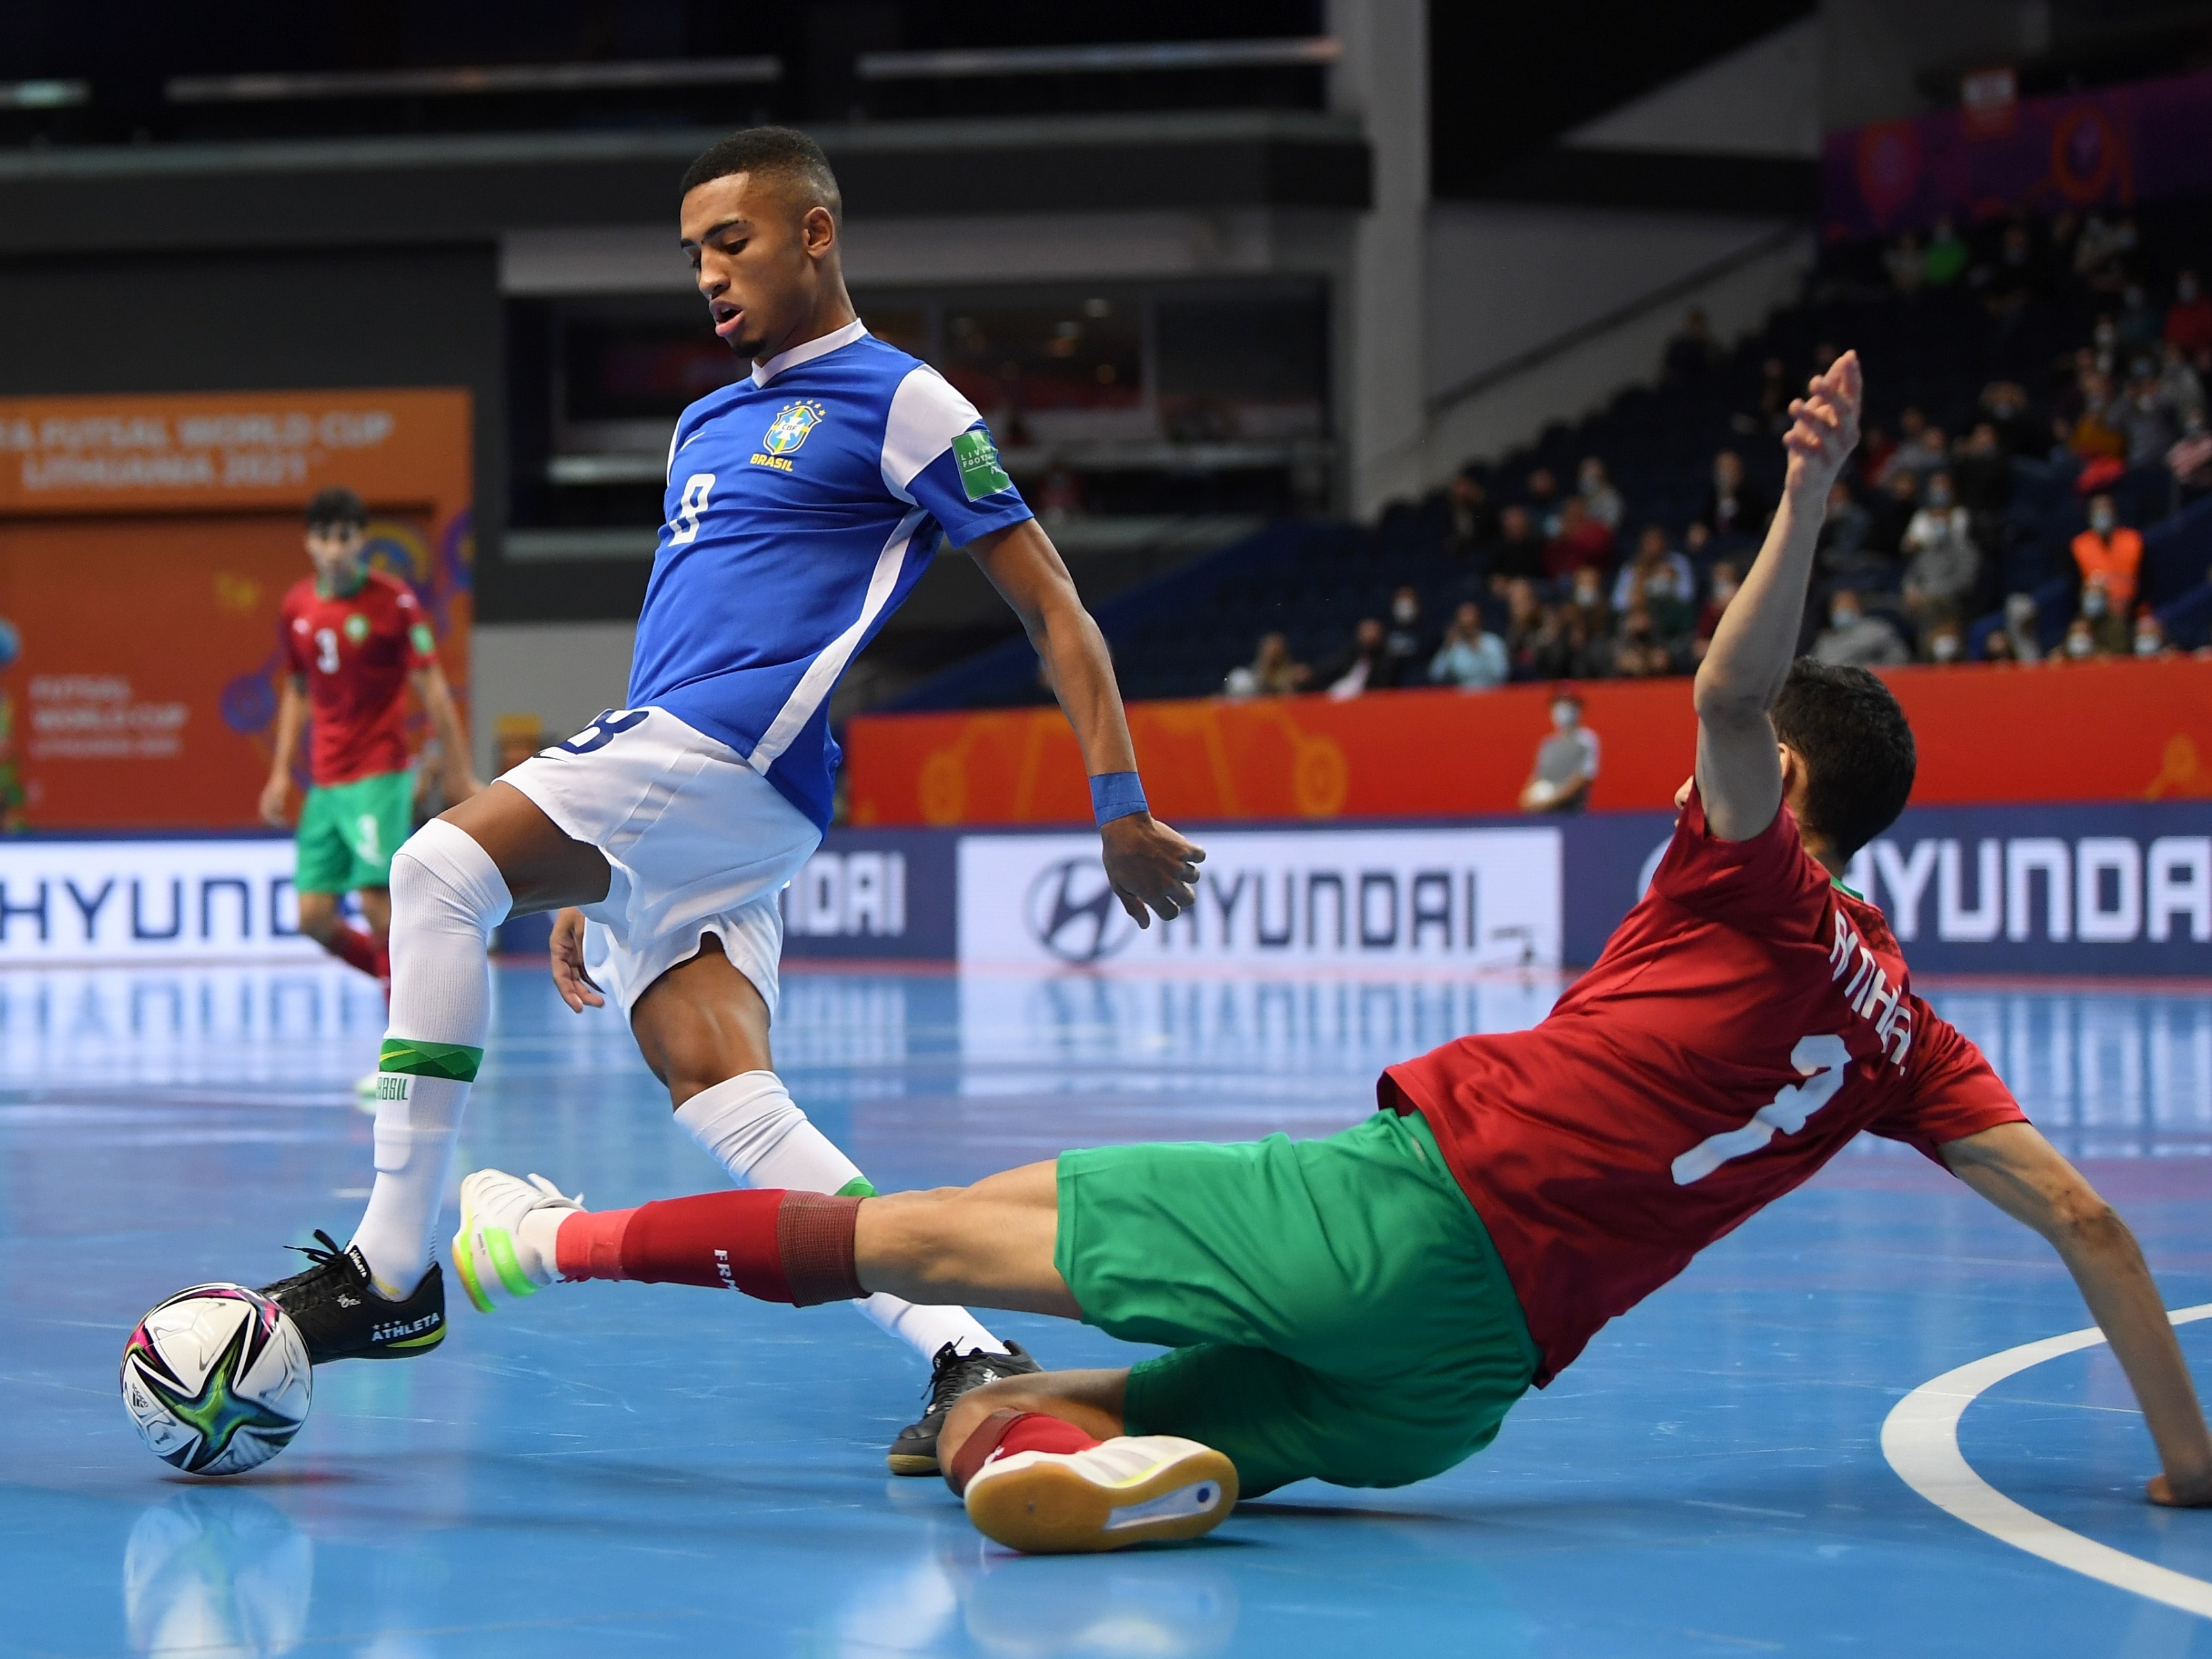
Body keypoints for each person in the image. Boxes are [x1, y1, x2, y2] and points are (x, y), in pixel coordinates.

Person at [450, 352, 2212, 1557]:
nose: (1695, 782)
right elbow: (2094, 1220)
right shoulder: (1899, 1025)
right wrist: (2194, 1460)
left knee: (905, 1235)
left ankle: (539, 1240)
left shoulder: (1755, 872)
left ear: (1799, 788)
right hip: (1459, 1393)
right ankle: (1069, 1453)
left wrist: (1810, 487)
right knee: (1001, 1403)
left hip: (1401, 1219)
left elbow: (1732, 690)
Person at [247, 127, 1205, 1479]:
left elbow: (1053, 607)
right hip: (673, 777)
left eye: (732, 241)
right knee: (722, 1089)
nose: (707, 272)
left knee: (432, 873)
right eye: (692, 250)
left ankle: (391, 1267)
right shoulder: (705, 421)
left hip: (733, 760)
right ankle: (966, 1348)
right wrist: (596, 868)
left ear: (815, 232)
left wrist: (1117, 800)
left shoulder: (903, 399)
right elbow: (669, 633)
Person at [259, 488, 479, 988]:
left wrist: (459, 771)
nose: (334, 549)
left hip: (378, 772)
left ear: (360, 541)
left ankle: (401, 1046)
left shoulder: (394, 602)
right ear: (308, 543)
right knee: (312, 917)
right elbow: (297, 690)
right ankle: (410, 990)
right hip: (325, 780)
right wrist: (278, 775)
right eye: (324, 538)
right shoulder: (295, 605)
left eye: (344, 537)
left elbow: (435, 690)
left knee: (377, 906)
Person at [1899, 472, 1980, 625]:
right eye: (1935, 519)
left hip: (1949, 602)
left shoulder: (1967, 550)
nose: (1938, 523)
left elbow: (1963, 583)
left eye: (1942, 518)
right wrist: (1911, 592)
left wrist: (1927, 595)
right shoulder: (1927, 548)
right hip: (1923, 601)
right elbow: (1912, 574)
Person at [1518, 687, 1599, 812]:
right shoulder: (1548, 744)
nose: (1564, 711)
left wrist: (1553, 800)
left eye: (1569, 705)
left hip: (1571, 811)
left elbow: (1584, 776)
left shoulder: (1586, 740)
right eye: (1560, 705)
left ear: (1578, 708)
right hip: (1543, 812)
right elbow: (1538, 775)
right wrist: (1526, 798)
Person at [2073, 493, 2143, 614]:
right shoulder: (2079, 545)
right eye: (2098, 509)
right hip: (2095, 615)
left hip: (2133, 613)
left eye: (2106, 508)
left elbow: (2147, 581)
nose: (2102, 513)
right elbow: (2074, 586)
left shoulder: (2133, 540)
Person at [1811, 589, 1907, 669]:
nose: (1841, 609)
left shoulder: (1876, 630)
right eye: (1837, 606)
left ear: (1857, 607)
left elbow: (1898, 658)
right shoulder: (1826, 640)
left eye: (1846, 605)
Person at [1427, 602, 1507, 691]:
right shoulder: (1455, 646)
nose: (1467, 621)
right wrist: (1447, 648)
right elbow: (1435, 675)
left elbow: (1502, 673)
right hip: (1462, 699)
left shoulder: (1493, 643)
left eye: (1470, 616)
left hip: (1492, 695)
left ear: (1478, 619)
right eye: (1463, 617)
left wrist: (1479, 650)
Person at [1224, 632, 1308, 699]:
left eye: (1278, 653)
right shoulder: (1244, 679)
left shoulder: (1293, 678)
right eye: (1271, 652)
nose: (1274, 656)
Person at [1320, 617, 1388, 699]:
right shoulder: (1351, 654)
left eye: (1372, 632)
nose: (1369, 636)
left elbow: (1381, 686)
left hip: (1367, 700)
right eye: (1366, 631)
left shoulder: (1386, 660)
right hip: (1339, 696)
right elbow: (1330, 668)